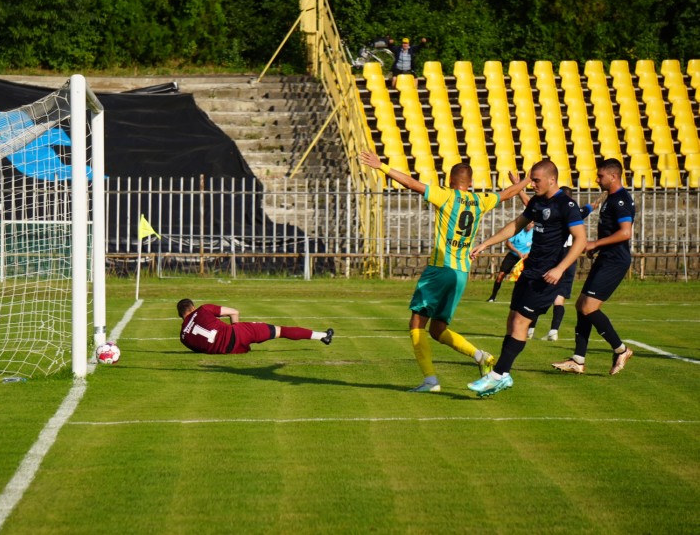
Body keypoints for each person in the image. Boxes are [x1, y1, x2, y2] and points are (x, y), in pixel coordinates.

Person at [359, 150, 530, 392]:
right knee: (438, 329)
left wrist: (382, 166)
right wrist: (525, 181)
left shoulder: (446, 196)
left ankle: (430, 381)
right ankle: (481, 357)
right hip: (461, 273)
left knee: (416, 323)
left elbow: (410, 182)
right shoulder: (480, 200)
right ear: (470, 183)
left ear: (450, 181)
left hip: (440, 269)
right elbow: (509, 193)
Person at [467, 160, 587, 397]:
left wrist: (560, 269)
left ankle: (498, 375)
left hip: (547, 276)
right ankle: (503, 374)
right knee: (513, 320)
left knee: (521, 322)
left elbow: (581, 239)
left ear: (552, 179)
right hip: (529, 270)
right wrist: (485, 243)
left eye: (536, 180)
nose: (531, 184)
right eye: (531, 179)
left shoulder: (567, 204)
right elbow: (515, 225)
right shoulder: (537, 201)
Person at [552, 158, 636, 375]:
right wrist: (597, 248)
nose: (597, 180)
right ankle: (578, 360)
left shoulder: (620, 200)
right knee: (581, 305)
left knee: (589, 307)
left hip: (615, 260)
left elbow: (626, 232)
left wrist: (595, 243)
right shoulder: (611, 198)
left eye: (600, 176)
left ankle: (621, 349)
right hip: (606, 257)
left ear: (613, 176)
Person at [516, 183, 606, 340]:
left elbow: (530, 205)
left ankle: (531, 328)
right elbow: (592, 206)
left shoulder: (560, 210)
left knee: (538, 291)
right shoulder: (577, 211)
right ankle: (553, 331)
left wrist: (519, 189)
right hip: (570, 259)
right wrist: (600, 199)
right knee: (559, 296)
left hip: (557, 257)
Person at [176, 299, 333, 354]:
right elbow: (234, 312)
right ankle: (322, 336)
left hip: (228, 352)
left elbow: (203, 349)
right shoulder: (203, 309)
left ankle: (243, 343)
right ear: (192, 307)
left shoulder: (183, 337)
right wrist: (237, 330)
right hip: (238, 334)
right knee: (280, 331)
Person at [486, 222, 534, 303]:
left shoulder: (535, 233)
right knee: (500, 275)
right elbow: (508, 243)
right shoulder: (518, 231)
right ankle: (493, 296)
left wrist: (528, 254)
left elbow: (537, 245)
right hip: (513, 255)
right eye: (528, 223)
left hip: (525, 258)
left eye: (532, 224)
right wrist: (518, 252)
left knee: (520, 278)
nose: (529, 225)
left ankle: (519, 298)